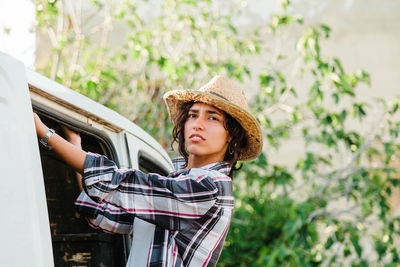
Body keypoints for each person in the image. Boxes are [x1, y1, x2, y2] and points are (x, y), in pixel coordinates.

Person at [34, 75, 263, 267]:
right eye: (193, 115)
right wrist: (74, 144)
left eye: (212, 117)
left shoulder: (210, 186)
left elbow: (119, 183)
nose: (198, 124)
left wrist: (45, 133)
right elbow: (103, 215)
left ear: (231, 135)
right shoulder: (173, 186)